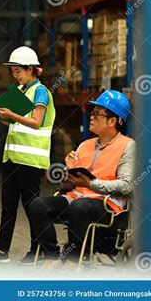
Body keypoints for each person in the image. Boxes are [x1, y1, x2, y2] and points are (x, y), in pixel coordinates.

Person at [28, 90, 134, 267]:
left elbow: (127, 185)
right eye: (91, 113)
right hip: (77, 199)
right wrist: (69, 172)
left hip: (107, 205)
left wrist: (90, 184)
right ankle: (52, 256)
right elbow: (67, 185)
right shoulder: (85, 145)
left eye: (97, 114)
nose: (91, 117)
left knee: (80, 206)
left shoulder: (127, 146)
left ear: (113, 121)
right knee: (38, 205)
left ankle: (75, 258)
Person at [0, 46, 56, 265]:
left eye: (18, 72)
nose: (15, 76)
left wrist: (11, 113)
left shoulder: (40, 92)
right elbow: (14, 123)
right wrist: (2, 114)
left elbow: (36, 122)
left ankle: (37, 249)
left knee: (33, 207)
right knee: (8, 206)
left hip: (30, 160)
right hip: (13, 158)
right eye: (13, 72)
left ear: (31, 69)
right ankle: (2, 250)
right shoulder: (21, 91)